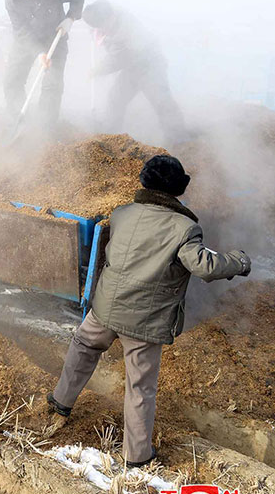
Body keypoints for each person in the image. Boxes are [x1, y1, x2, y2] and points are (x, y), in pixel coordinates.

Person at [47, 155, 251, 467]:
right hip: (144, 321)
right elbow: (205, 266)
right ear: (178, 188)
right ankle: (137, 455)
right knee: (140, 387)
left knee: (83, 347)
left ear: (145, 181)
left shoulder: (122, 213)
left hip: (105, 306)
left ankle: (61, 401)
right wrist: (239, 261)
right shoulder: (185, 229)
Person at [81, 0, 187, 139]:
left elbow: (118, 59)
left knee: (161, 100)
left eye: (103, 26)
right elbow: (97, 29)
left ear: (111, 17)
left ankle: (179, 138)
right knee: (115, 98)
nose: (102, 30)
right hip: (131, 67)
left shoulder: (127, 30)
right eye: (98, 27)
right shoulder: (103, 15)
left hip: (150, 65)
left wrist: (96, 70)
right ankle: (110, 136)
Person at [4, 0, 85, 126]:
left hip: (54, 37)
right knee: (12, 80)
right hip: (26, 40)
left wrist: (70, 18)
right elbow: (21, 31)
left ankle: (44, 127)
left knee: (52, 84)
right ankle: (20, 123)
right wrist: (40, 53)